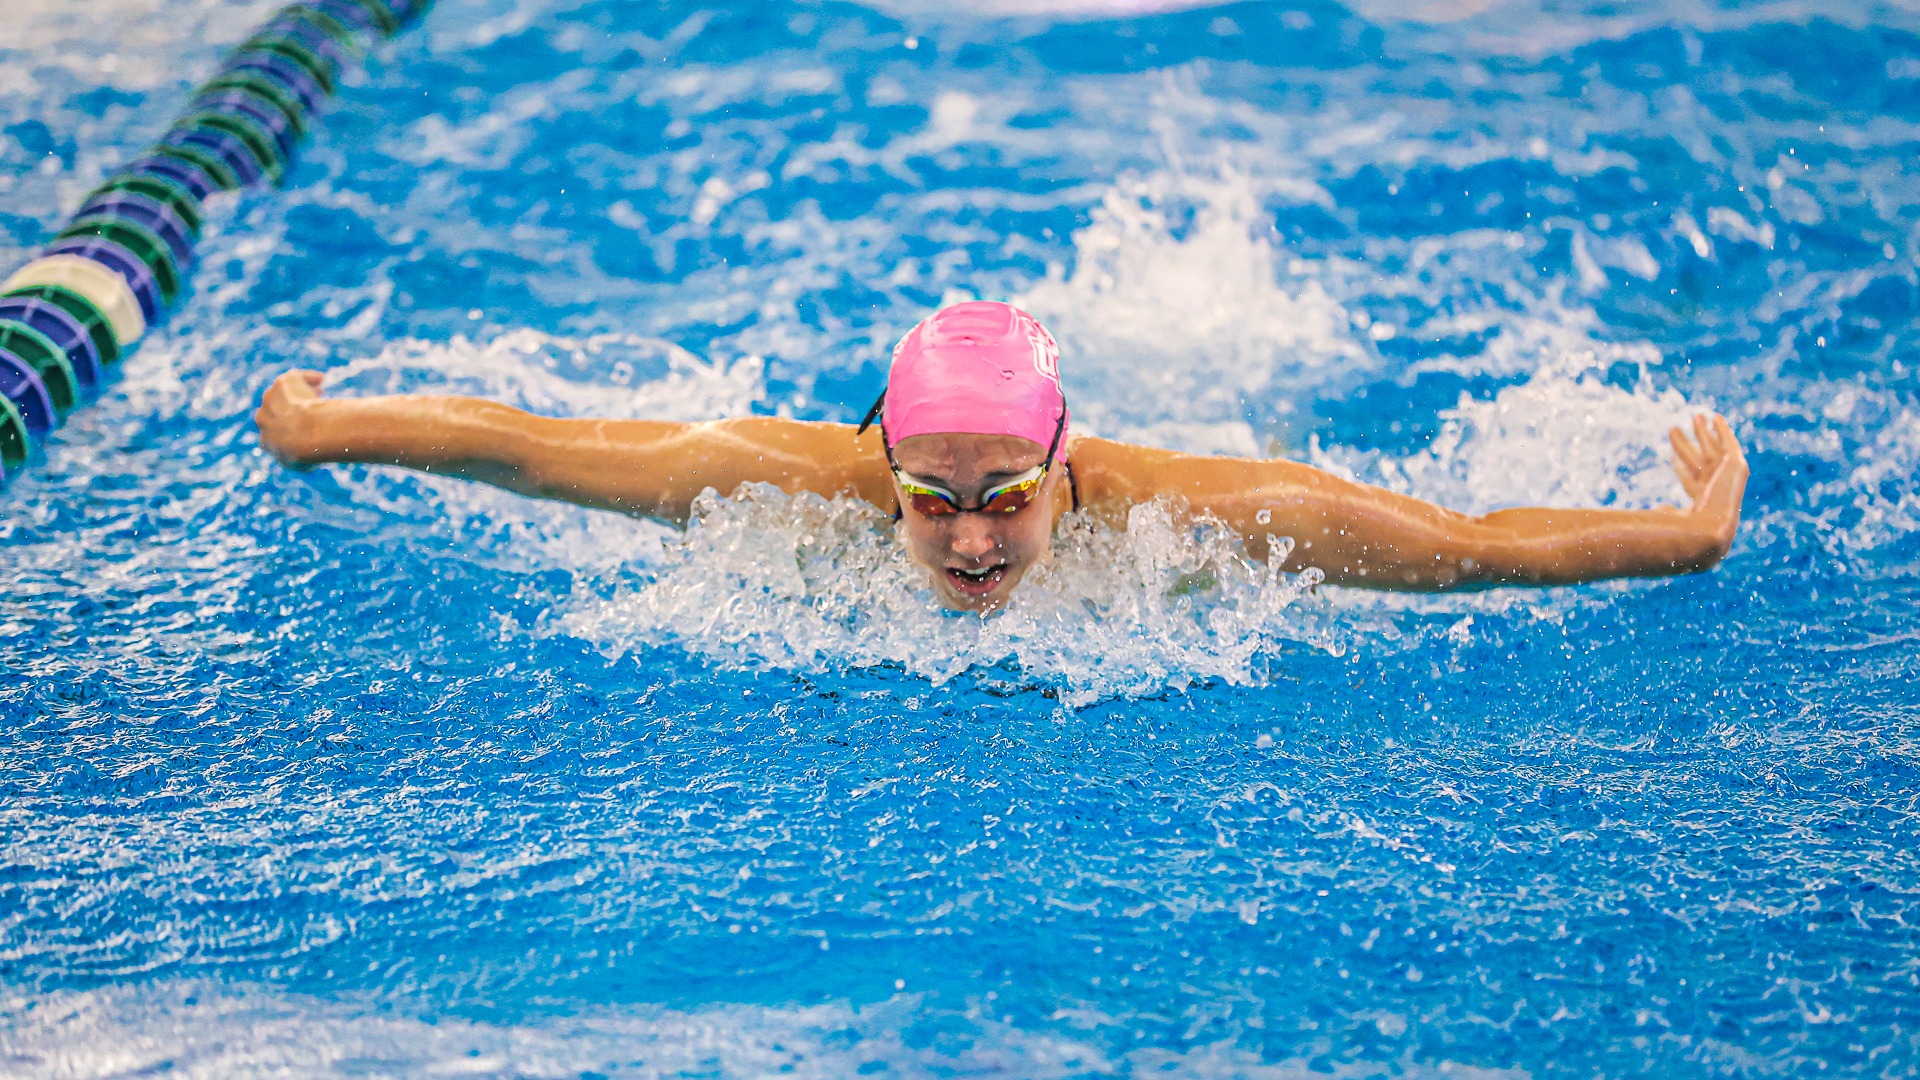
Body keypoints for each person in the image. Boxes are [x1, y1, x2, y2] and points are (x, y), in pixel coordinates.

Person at [255, 300, 1747, 612]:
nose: (971, 539)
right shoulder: (798, 483)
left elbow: (1467, 548)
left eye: (1007, 500)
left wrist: (1689, 535)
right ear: (883, 463)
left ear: (1062, 463)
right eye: (931, 502)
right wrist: (318, 429)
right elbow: (537, 452)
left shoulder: (1200, 515)